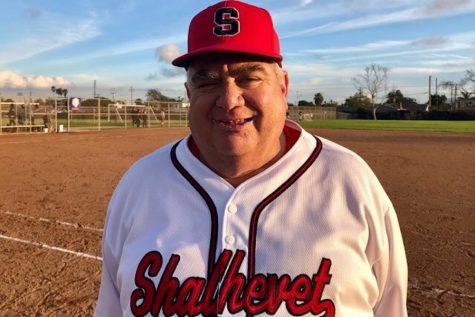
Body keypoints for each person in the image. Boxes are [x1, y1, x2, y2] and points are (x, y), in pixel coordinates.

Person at [94, 1, 408, 316]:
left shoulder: (348, 180)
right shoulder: (141, 184)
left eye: (248, 77)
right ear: (189, 94)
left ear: (283, 87)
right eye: (208, 80)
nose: (229, 99)